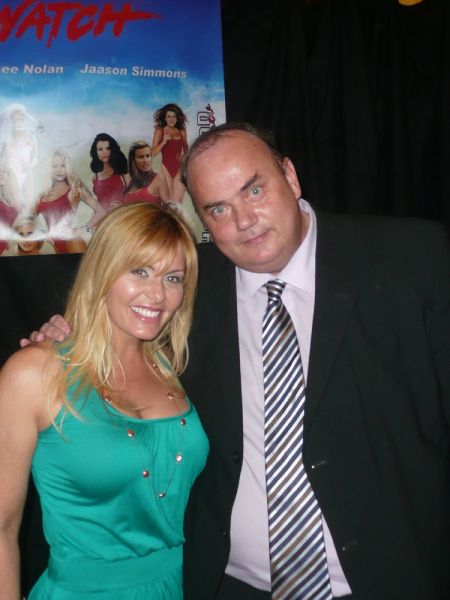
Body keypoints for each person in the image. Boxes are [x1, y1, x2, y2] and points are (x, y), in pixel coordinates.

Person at [24, 123, 450, 600]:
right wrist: (61, 337)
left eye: (254, 189)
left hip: (389, 580)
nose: (244, 220)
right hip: (229, 585)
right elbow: (117, 336)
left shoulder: (413, 260)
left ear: (290, 176)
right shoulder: (184, 294)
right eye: (219, 209)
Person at [1, 203, 208, 598]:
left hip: (177, 586)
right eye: (139, 271)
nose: (157, 294)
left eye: (173, 278)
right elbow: (2, 527)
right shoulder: (33, 374)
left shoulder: (176, 367)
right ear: (102, 270)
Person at [36, 149, 104, 253]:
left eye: (63, 165)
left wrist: (83, 229)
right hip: (57, 247)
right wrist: (44, 234)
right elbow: (29, 219)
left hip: (72, 242)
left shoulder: (75, 189)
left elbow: (101, 212)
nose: (59, 170)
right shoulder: (43, 195)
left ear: (68, 167)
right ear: (49, 168)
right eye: (54, 166)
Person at [151, 104, 188, 203]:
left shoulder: (182, 131)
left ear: (177, 118)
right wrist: (163, 142)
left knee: (178, 202)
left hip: (179, 168)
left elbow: (186, 147)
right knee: (169, 202)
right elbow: (153, 153)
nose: (171, 119)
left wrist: (185, 158)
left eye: (174, 117)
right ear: (165, 118)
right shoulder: (160, 131)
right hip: (166, 168)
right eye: (169, 116)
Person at [90, 133, 130, 212]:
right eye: (100, 149)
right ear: (96, 152)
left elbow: (133, 194)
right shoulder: (95, 178)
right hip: (103, 218)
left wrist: (122, 205)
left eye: (108, 148)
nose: (104, 152)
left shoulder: (122, 172)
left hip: (121, 214)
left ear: (113, 150)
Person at [123, 140, 170, 206]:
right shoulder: (129, 180)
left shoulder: (159, 178)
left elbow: (169, 207)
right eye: (140, 157)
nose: (145, 160)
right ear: (133, 160)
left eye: (148, 156)